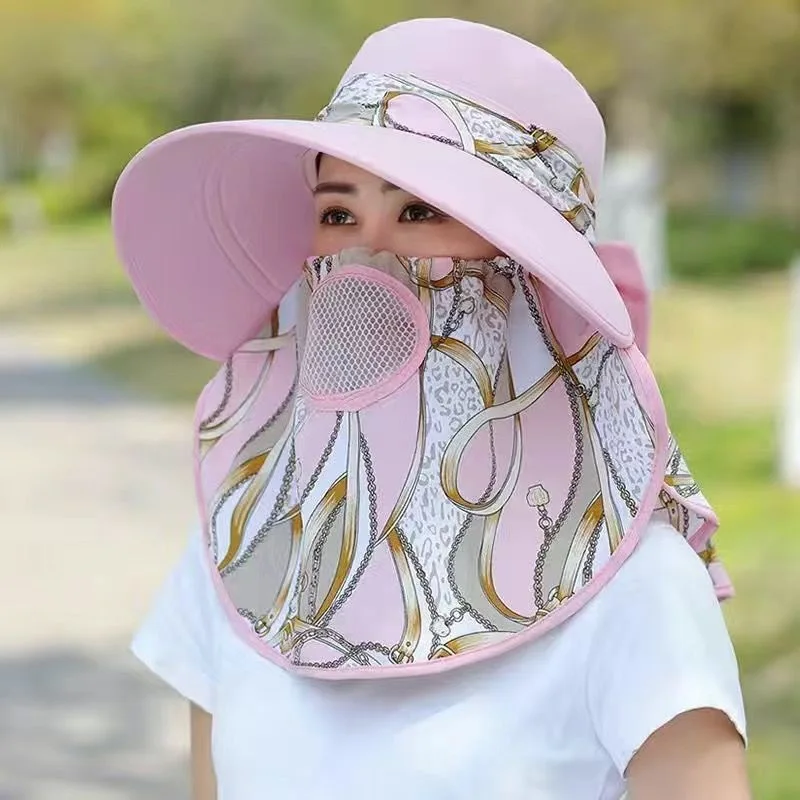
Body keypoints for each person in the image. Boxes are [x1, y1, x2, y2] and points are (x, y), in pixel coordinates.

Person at [111, 17, 749, 800]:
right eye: (338, 213)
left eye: (419, 212)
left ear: (526, 265)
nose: (366, 253)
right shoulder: (252, 539)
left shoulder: (637, 586)